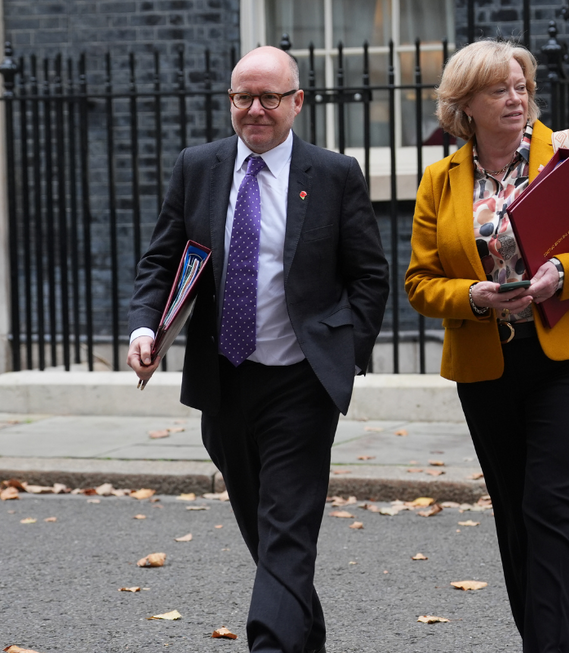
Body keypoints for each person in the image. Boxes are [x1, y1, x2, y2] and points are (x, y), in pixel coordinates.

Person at [127, 46, 390, 653]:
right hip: (225, 380)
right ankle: (307, 639)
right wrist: (147, 328)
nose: (256, 110)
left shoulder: (332, 174)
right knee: (265, 529)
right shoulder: (199, 166)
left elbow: (369, 275)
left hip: (301, 382)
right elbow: (163, 258)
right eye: (243, 97)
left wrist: (347, 353)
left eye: (270, 97)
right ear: (230, 102)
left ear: (296, 102)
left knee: (287, 528)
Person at [404, 40, 569, 653]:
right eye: (497, 90)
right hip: (488, 364)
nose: (515, 99)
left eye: (520, 86)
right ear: (465, 106)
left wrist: (564, 270)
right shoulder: (441, 179)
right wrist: (475, 296)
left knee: (549, 498)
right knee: (513, 511)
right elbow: (420, 284)